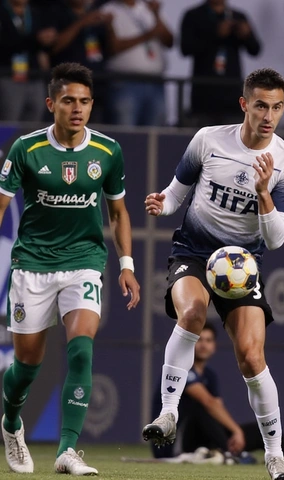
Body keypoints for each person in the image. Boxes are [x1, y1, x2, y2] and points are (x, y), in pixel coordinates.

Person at [142, 67, 284, 480]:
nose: (269, 116)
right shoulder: (209, 140)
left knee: (251, 356)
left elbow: (278, 237)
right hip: (194, 251)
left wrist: (264, 192)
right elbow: (178, 192)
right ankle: (169, 413)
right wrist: (163, 203)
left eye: (277, 107)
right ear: (244, 104)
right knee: (192, 313)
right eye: (261, 106)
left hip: (242, 265)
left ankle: (274, 456)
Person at [0, 62, 141, 475]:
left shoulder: (107, 151)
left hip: (83, 262)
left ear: (91, 105)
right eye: (68, 101)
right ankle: (11, 423)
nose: (77, 109)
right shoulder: (26, 149)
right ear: (51, 104)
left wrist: (126, 264)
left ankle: (67, 450)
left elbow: (118, 212)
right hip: (32, 265)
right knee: (26, 367)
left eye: (84, 101)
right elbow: (3, 204)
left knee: (81, 348)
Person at [151, 322, 284, 463]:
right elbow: (209, 403)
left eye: (209, 340)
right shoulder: (181, 369)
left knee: (257, 431)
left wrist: (236, 433)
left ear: (214, 346)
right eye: (199, 340)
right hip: (172, 445)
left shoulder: (209, 375)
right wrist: (236, 431)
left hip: (205, 441)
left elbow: (217, 409)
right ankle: (232, 455)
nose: (203, 345)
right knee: (203, 408)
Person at [180, 0, 261, 128]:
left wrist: (247, 35)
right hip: (204, 96)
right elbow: (185, 48)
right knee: (204, 144)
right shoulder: (194, 15)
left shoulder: (237, 16)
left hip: (232, 95)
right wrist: (215, 34)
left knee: (233, 144)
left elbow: (255, 49)